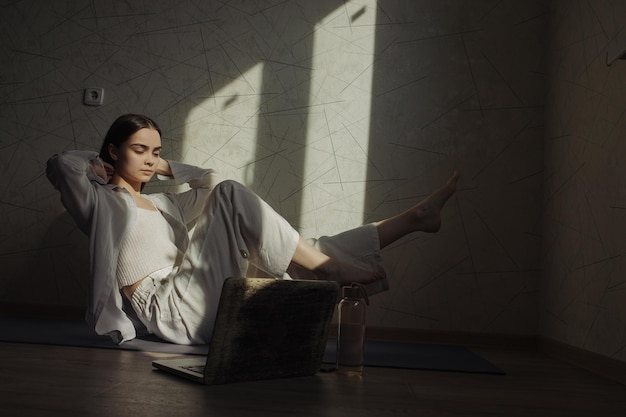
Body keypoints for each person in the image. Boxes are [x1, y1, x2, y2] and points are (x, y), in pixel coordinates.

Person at [46, 114, 459, 345]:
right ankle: (328, 268)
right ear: (114, 151)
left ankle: (413, 219)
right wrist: (100, 162)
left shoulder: (164, 203)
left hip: (193, 292)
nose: (151, 160)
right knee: (238, 200)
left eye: (157, 152)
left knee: (304, 248)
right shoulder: (97, 202)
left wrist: (165, 167)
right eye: (140, 150)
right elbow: (61, 164)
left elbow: (208, 179)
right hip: (169, 310)